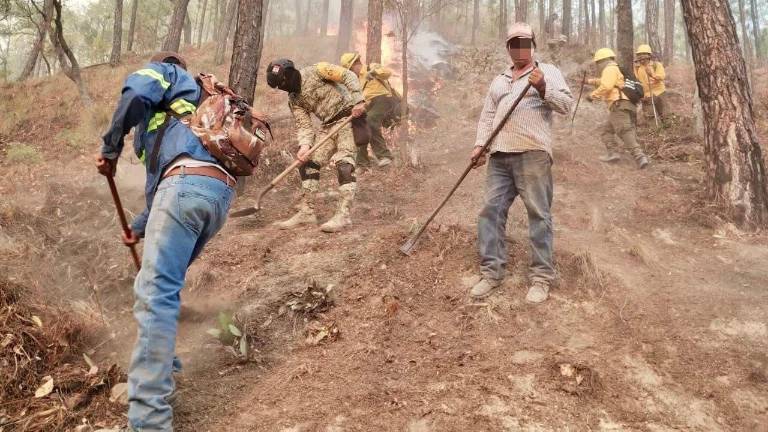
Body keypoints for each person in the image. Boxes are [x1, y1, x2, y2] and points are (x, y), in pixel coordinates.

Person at [96, 52, 237, 431]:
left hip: (185, 188)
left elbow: (135, 92)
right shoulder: (188, 115)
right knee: (162, 287)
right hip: (215, 195)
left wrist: (110, 148)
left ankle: (148, 419)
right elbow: (166, 183)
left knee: (155, 293)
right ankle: (166, 373)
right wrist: (139, 228)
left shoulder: (167, 72)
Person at [469, 23, 574, 303]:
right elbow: (488, 116)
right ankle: (492, 273)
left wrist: (542, 88)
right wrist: (481, 145)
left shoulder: (547, 71)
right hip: (499, 156)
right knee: (490, 212)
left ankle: (541, 277)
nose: (519, 47)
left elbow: (565, 105)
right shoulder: (499, 80)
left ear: (533, 45)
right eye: (514, 43)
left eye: (524, 42)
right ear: (508, 47)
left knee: (539, 215)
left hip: (532, 154)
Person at [266, 58, 366, 233]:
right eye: (279, 86)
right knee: (307, 162)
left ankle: (343, 215)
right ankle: (307, 212)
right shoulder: (294, 100)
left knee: (344, 163)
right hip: (327, 127)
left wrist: (358, 100)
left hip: (348, 117)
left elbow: (347, 75)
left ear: (290, 74)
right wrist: (304, 146)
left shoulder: (318, 70)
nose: (283, 87)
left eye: (283, 82)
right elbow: (304, 126)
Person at [587, 48, 650, 169]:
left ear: (602, 61)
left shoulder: (609, 69)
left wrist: (592, 96)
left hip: (618, 105)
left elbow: (607, 85)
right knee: (606, 131)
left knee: (624, 131)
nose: (597, 66)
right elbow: (608, 82)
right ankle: (613, 153)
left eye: (598, 63)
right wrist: (590, 81)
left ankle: (640, 156)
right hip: (627, 104)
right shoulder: (615, 69)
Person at [340, 52, 400, 168]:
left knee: (370, 121)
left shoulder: (371, 67)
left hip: (382, 99)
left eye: (350, 70)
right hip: (366, 106)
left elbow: (387, 73)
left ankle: (384, 156)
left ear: (354, 65)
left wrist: (374, 72)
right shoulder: (355, 81)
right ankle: (362, 163)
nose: (351, 73)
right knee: (359, 127)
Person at [634, 44, 668, 124]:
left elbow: (662, 76)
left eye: (643, 54)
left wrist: (652, 74)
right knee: (650, 118)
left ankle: (669, 132)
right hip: (646, 96)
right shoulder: (636, 68)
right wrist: (639, 95)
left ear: (649, 55)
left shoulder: (657, 65)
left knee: (666, 115)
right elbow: (636, 82)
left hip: (660, 93)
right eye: (639, 54)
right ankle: (654, 133)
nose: (641, 57)